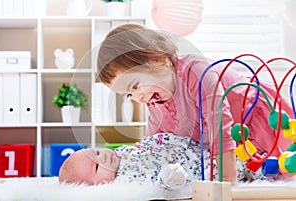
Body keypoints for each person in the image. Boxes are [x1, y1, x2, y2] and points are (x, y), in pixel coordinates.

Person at [96, 24, 295, 184]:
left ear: (155, 59)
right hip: (234, 147)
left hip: (256, 122)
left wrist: (227, 181)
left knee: (279, 172)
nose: (137, 97)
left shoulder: (195, 71)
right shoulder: (155, 104)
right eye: (129, 94)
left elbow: (220, 126)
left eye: (136, 85)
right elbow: (154, 145)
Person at [59, 133, 268, 187]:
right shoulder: (125, 180)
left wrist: (160, 139)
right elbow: (151, 184)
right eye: (97, 166)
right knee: (229, 166)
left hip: (187, 150)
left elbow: (143, 148)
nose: (102, 156)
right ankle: (259, 168)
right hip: (192, 169)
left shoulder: (119, 154)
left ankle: (257, 157)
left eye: (96, 152)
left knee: (224, 150)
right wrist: (167, 179)